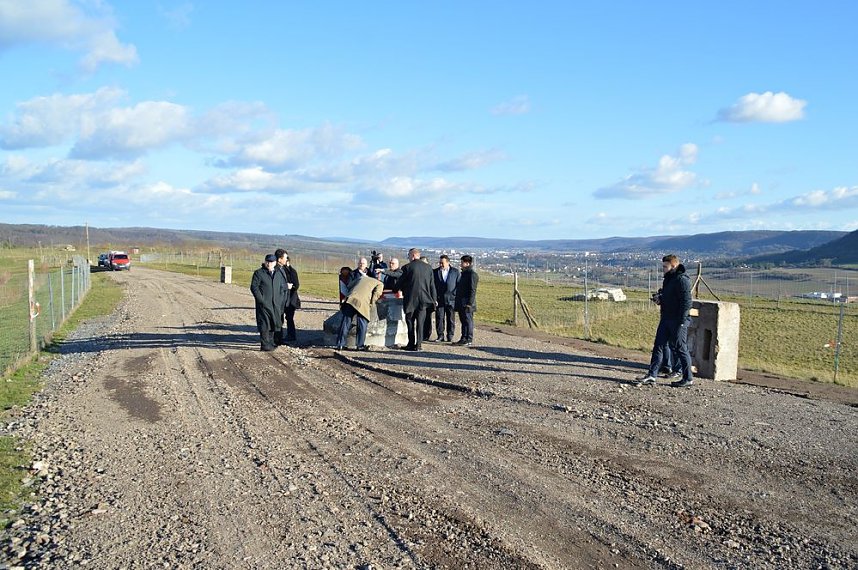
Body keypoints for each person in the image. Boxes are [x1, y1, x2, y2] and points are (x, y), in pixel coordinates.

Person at [636, 254, 694, 388]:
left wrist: (681, 321)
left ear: (673, 265)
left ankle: (688, 378)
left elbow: (686, 302)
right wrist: (660, 300)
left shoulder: (682, 280)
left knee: (680, 348)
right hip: (666, 317)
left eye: (665, 266)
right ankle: (652, 374)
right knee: (659, 346)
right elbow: (669, 297)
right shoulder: (668, 279)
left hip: (678, 320)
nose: (663, 269)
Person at [394, 248, 437, 351]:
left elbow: (401, 282)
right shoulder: (428, 268)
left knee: (410, 321)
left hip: (410, 299)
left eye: (408, 255)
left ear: (413, 256)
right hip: (424, 300)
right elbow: (432, 286)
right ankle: (419, 345)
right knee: (420, 323)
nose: (408, 257)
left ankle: (411, 343)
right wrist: (434, 299)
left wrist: (395, 289)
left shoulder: (407, 267)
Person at [335, 269, 383, 351]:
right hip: (362, 302)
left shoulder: (361, 278)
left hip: (350, 299)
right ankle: (360, 345)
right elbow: (376, 294)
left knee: (345, 323)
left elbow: (350, 285)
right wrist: (371, 304)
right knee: (362, 323)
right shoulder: (379, 283)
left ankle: (340, 344)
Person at [250, 253, 289, 351]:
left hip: (276, 304)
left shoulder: (278, 273)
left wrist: (280, 300)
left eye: (271, 262)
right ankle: (264, 345)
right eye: (267, 261)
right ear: (265, 262)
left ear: (275, 263)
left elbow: (282, 287)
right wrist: (261, 300)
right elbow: (254, 287)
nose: (269, 264)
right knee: (264, 324)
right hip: (264, 304)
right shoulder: (259, 273)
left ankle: (271, 343)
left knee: (273, 323)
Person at [432, 254, 460, 342]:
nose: (440, 265)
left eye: (442, 263)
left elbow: (458, 285)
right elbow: (432, 286)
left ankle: (450, 336)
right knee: (439, 318)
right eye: (439, 263)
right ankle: (440, 335)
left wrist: (455, 296)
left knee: (451, 319)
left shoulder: (455, 272)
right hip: (439, 299)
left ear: (448, 262)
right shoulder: (435, 272)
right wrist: (434, 298)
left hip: (451, 299)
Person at [275, 249, 300, 343]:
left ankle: (291, 335)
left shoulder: (292, 272)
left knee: (289, 318)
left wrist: (290, 288)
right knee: (280, 318)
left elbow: (296, 285)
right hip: (283, 298)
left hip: (290, 298)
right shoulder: (280, 270)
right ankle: (279, 337)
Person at [454, 255, 479, 346]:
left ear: (467, 263)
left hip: (467, 303)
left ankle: (469, 339)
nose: (461, 264)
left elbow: (473, 290)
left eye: (462, 262)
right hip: (461, 302)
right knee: (463, 321)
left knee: (468, 321)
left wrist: (469, 303)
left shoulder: (472, 275)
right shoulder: (463, 274)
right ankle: (463, 337)